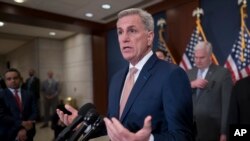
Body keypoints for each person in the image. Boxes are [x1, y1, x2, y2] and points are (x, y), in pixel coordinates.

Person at [57, 8, 194, 141]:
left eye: (132, 31)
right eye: (120, 32)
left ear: (149, 37)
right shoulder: (117, 78)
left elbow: (183, 136)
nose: (124, 38)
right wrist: (83, 126)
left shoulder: (172, 75)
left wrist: (148, 140)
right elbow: (115, 126)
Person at [186, 41, 233, 141]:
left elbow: (227, 105)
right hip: (190, 129)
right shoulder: (189, 73)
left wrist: (224, 132)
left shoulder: (222, 74)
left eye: (202, 57)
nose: (198, 61)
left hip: (212, 130)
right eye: (196, 57)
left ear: (210, 56)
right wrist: (191, 84)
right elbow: (178, 96)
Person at [0, 68, 38, 141]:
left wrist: (24, 129)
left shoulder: (29, 94)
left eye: (15, 78)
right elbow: (2, 116)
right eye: (9, 79)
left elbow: (35, 112)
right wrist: (21, 124)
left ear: (20, 79)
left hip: (27, 133)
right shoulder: (1, 95)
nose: (13, 80)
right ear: (5, 81)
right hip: (8, 133)